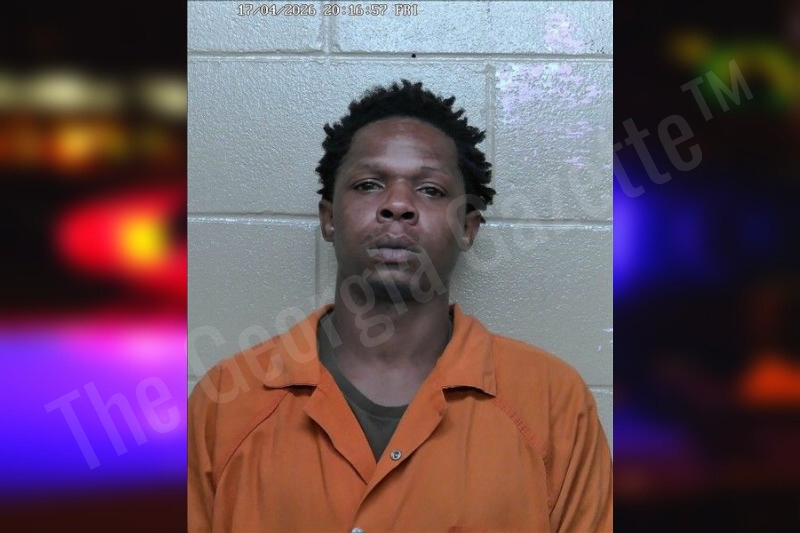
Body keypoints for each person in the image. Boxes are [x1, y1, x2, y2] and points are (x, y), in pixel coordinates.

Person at [188, 80, 613, 532]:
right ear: (329, 219)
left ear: (467, 228)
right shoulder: (225, 403)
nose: (397, 205)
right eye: (369, 185)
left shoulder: (553, 404)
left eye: (430, 190)